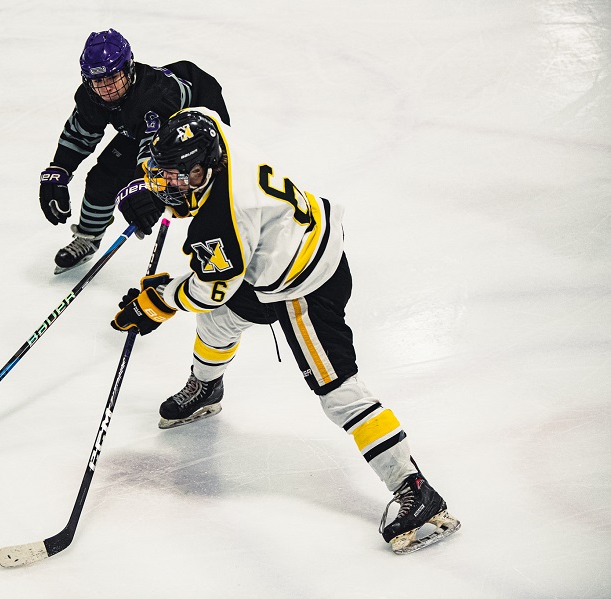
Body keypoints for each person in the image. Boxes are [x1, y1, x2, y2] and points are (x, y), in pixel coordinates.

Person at [110, 108, 461, 554]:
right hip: (283, 253)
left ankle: (415, 489)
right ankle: (206, 389)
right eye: (169, 175)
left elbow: (212, 288)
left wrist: (158, 301)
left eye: (184, 175)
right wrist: (156, 192)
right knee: (219, 323)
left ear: (208, 164)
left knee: (337, 391)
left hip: (304, 288)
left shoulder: (226, 215)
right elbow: (199, 112)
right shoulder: (210, 130)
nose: (174, 183)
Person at [38, 29, 230, 274]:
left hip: (200, 123)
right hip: (146, 127)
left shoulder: (153, 96)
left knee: (198, 189)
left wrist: (145, 186)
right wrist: (59, 169)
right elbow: (79, 134)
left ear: (128, 69)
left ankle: (222, 249)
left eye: (112, 77)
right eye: (98, 81)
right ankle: (88, 238)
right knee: (103, 177)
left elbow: (154, 151)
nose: (106, 88)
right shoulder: (92, 97)